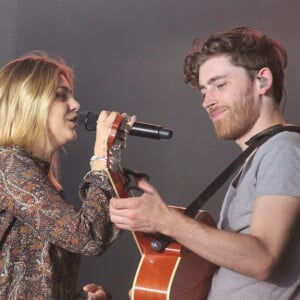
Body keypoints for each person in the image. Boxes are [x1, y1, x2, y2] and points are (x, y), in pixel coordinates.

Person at [109, 27, 300, 299]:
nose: (207, 102)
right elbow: (237, 269)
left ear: (262, 81)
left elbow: (262, 259)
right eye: (203, 92)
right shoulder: (259, 155)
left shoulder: (283, 150)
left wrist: (166, 221)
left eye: (220, 85)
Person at [0, 52, 120, 299]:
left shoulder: (38, 178)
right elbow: (87, 237)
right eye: (60, 95)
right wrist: (101, 159)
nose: (75, 104)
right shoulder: (8, 165)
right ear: (28, 102)